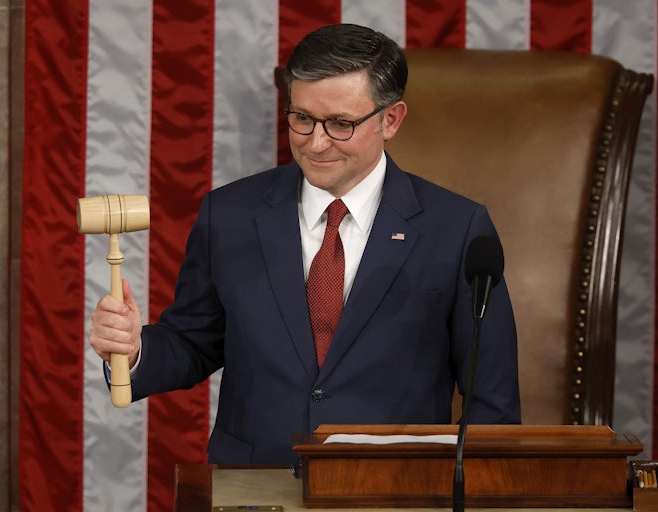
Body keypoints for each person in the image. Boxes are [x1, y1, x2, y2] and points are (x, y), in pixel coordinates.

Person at [89, 23, 521, 465]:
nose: (316, 143)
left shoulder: (458, 227)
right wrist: (133, 349)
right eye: (302, 118)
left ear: (390, 119)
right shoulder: (230, 214)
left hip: (396, 486)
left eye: (340, 124)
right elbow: (195, 343)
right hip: (256, 481)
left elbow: (492, 398)